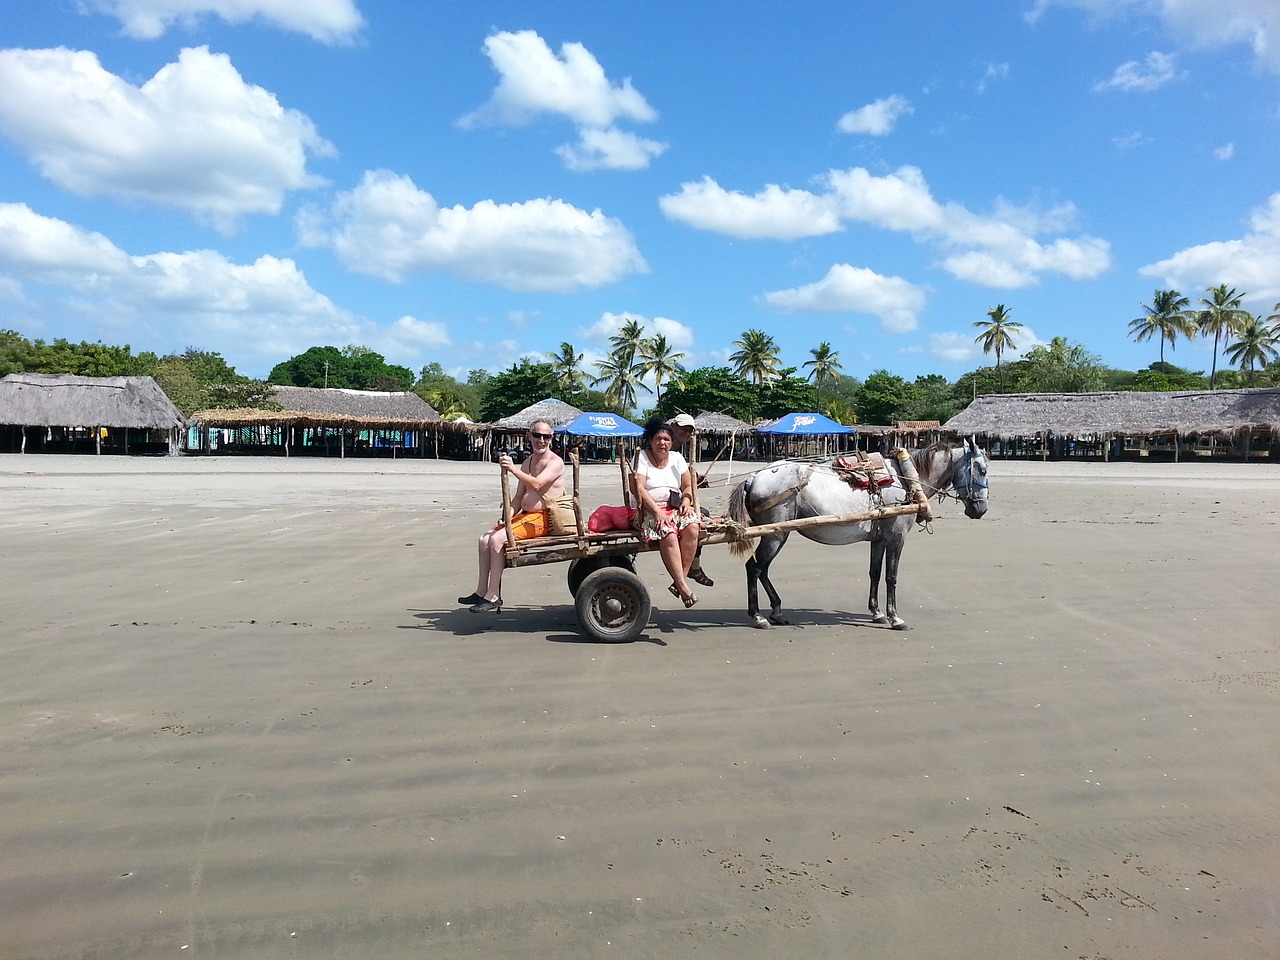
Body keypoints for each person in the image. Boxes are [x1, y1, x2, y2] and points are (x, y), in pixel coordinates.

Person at [460, 421, 565, 613]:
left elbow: (538, 485)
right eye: (537, 435)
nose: (541, 440)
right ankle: (481, 590)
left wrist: (513, 469)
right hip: (525, 516)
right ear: (530, 436)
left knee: (498, 540)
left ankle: (493, 595)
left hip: (544, 518)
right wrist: (507, 517)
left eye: (546, 436)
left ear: (551, 438)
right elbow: (517, 498)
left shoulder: (555, 462)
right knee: (484, 539)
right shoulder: (528, 462)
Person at [632, 416, 702, 607]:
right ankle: (683, 586)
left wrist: (687, 501)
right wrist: (657, 511)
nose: (662, 443)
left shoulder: (677, 458)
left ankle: (679, 581)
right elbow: (638, 489)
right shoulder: (642, 458)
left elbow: (687, 486)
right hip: (647, 510)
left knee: (693, 527)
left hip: (674, 507)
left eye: (666, 440)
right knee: (668, 533)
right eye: (658, 439)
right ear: (650, 440)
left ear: (672, 443)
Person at [666, 412, 715, 587]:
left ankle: (693, 566)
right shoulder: (666, 445)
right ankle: (688, 569)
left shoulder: (678, 449)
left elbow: (681, 476)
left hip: (676, 496)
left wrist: (695, 480)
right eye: (683, 429)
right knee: (700, 519)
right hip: (665, 499)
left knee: (703, 514)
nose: (686, 434)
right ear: (673, 426)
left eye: (689, 431)